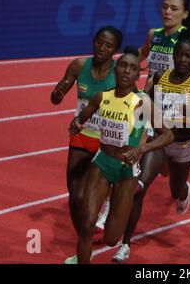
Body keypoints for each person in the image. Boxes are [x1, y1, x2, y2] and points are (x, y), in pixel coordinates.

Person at [112, 28, 190, 262]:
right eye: (178, 55)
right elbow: (143, 107)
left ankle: (184, 191)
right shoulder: (160, 77)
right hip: (157, 141)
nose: (182, 60)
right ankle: (125, 244)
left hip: (182, 145)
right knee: (140, 186)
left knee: (176, 189)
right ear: (173, 54)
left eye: (188, 56)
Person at [68, 47, 174, 264]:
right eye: (123, 66)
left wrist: (142, 149)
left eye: (132, 68)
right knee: (87, 226)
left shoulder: (141, 102)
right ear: (116, 71)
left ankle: (115, 232)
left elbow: (168, 135)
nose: (126, 71)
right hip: (102, 164)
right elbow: (81, 119)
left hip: (126, 171)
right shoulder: (102, 97)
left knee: (111, 238)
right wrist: (76, 125)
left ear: (138, 75)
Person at [50, 26, 122, 235]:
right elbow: (55, 99)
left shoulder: (119, 73)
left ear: (114, 50)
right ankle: (84, 236)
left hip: (106, 141)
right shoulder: (79, 65)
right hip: (81, 137)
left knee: (92, 194)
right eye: (99, 42)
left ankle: (89, 235)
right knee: (75, 197)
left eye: (108, 45)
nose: (102, 48)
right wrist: (58, 92)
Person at [140, 0, 190, 92]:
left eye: (174, 9)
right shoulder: (153, 34)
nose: (167, 12)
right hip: (150, 94)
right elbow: (142, 53)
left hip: (174, 97)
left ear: (185, 14)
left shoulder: (188, 39)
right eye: (165, 7)